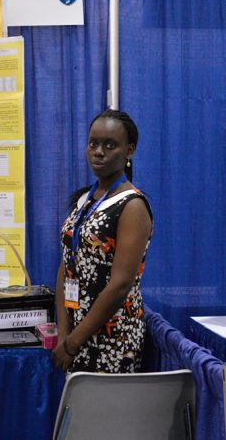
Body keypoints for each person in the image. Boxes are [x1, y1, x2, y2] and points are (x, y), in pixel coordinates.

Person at [52, 109, 153, 373]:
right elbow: (67, 263)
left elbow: (120, 285)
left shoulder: (132, 205)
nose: (98, 151)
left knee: (107, 414)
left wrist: (73, 342)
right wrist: (64, 333)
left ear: (129, 151)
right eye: (93, 143)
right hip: (74, 336)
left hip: (112, 338)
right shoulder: (87, 198)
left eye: (110, 145)